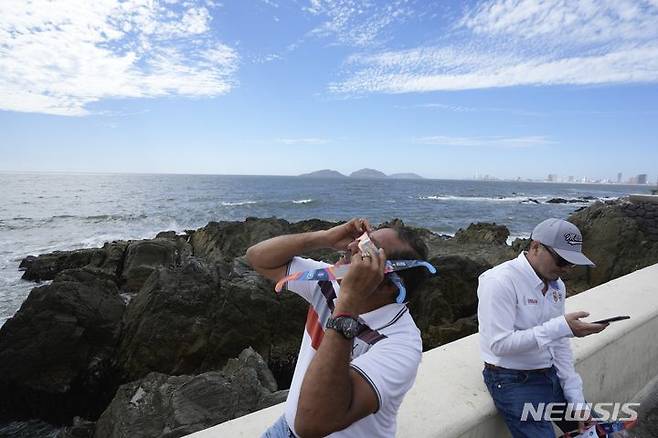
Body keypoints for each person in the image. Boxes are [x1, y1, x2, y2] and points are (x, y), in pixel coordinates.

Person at [246, 218, 431, 437]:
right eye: (360, 239)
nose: (352, 246)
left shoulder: (401, 344)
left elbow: (312, 423)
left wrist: (348, 303)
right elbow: (257, 258)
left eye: (366, 248)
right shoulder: (330, 284)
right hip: (285, 428)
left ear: (389, 284)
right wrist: (323, 237)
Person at [477, 218, 608, 437]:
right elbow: (499, 344)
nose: (566, 269)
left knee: (600, 431)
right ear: (535, 246)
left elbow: (560, 345)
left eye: (572, 263)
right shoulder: (500, 281)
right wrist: (561, 327)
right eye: (561, 260)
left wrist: (576, 399)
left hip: (550, 374)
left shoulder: (557, 285)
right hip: (512, 380)